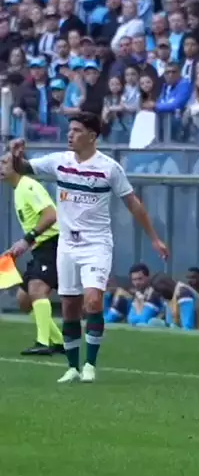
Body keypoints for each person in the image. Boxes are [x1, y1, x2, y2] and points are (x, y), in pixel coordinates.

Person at [8, 112, 169, 384]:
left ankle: (90, 365)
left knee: (92, 300)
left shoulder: (109, 168)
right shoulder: (60, 161)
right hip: (67, 245)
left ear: (92, 136)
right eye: (69, 129)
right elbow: (23, 168)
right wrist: (15, 155)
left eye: (76, 130)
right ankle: (72, 367)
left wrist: (154, 238)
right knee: (69, 306)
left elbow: (133, 203)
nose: (70, 134)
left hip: (96, 243)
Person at [0, 148, 64, 356]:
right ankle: (59, 341)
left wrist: (27, 240)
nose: (0, 167)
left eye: (4, 163)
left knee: (37, 288)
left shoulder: (28, 186)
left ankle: (43, 343)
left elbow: (51, 215)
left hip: (53, 244)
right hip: (40, 248)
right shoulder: (19, 189)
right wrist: (18, 247)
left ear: (17, 166)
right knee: (24, 299)